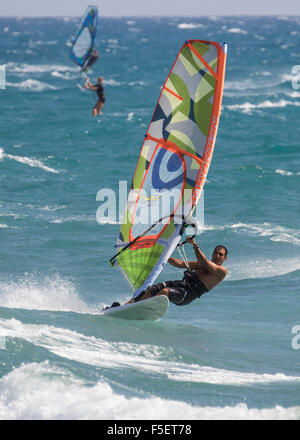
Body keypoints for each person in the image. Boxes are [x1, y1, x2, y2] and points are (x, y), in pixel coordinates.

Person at [127, 238, 228, 306]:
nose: (217, 256)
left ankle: (145, 309)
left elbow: (204, 261)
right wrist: (164, 256)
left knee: (165, 291)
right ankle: (129, 305)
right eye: (215, 253)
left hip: (187, 294)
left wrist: (194, 245)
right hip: (181, 284)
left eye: (220, 254)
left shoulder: (222, 271)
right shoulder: (201, 264)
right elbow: (180, 263)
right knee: (152, 289)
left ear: (225, 258)